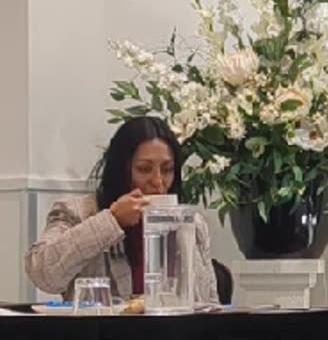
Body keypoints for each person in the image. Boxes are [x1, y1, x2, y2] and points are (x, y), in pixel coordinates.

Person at [25, 116, 218, 304]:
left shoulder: (192, 224)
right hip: (100, 333)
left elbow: (210, 301)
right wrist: (111, 220)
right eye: (144, 169)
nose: (158, 182)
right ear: (120, 170)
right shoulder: (76, 212)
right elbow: (43, 274)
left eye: (167, 170)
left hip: (174, 333)